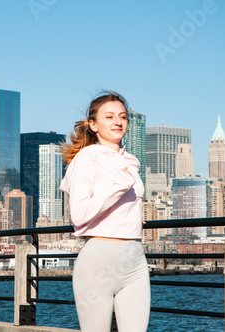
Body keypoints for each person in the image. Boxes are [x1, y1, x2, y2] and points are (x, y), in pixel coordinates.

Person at [59, 91, 150, 331]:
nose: (118, 121)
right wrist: (118, 187)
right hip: (98, 260)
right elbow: (79, 214)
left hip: (134, 258)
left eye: (122, 116)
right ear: (93, 125)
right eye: (109, 117)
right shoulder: (86, 158)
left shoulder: (131, 161)